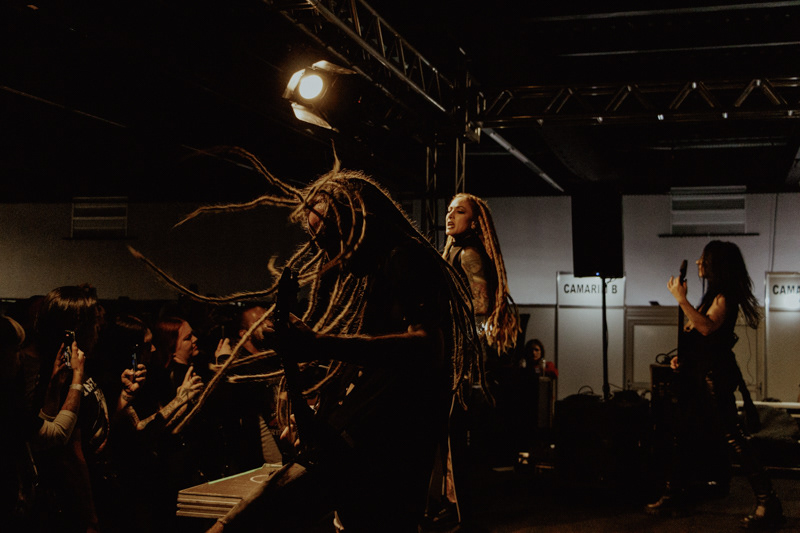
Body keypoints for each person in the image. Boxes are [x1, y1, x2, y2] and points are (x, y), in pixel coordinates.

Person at [129, 150, 480, 533]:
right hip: (369, 448)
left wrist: (318, 344)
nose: (328, 254)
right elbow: (373, 360)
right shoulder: (380, 270)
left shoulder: (405, 259)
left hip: (389, 451)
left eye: (330, 238)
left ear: (358, 221)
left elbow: (427, 346)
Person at [646, 240, 784, 529]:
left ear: (716, 264)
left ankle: (767, 500)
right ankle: (674, 494)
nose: (698, 263)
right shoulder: (712, 297)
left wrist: (681, 299)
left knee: (733, 436)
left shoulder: (723, 298)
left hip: (714, 377)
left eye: (703, 259)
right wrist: (684, 359)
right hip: (700, 375)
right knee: (682, 433)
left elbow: (707, 328)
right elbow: (700, 334)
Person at [428, 192, 520, 525]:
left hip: (460, 361)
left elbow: (480, 305)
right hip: (450, 356)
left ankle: (460, 512)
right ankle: (447, 505)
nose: (450, 216)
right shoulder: (452, 250)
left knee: (453, 440)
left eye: (459, 211)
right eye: (449, 210)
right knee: (443, 438)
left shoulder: (468, 254)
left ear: (474, 221)